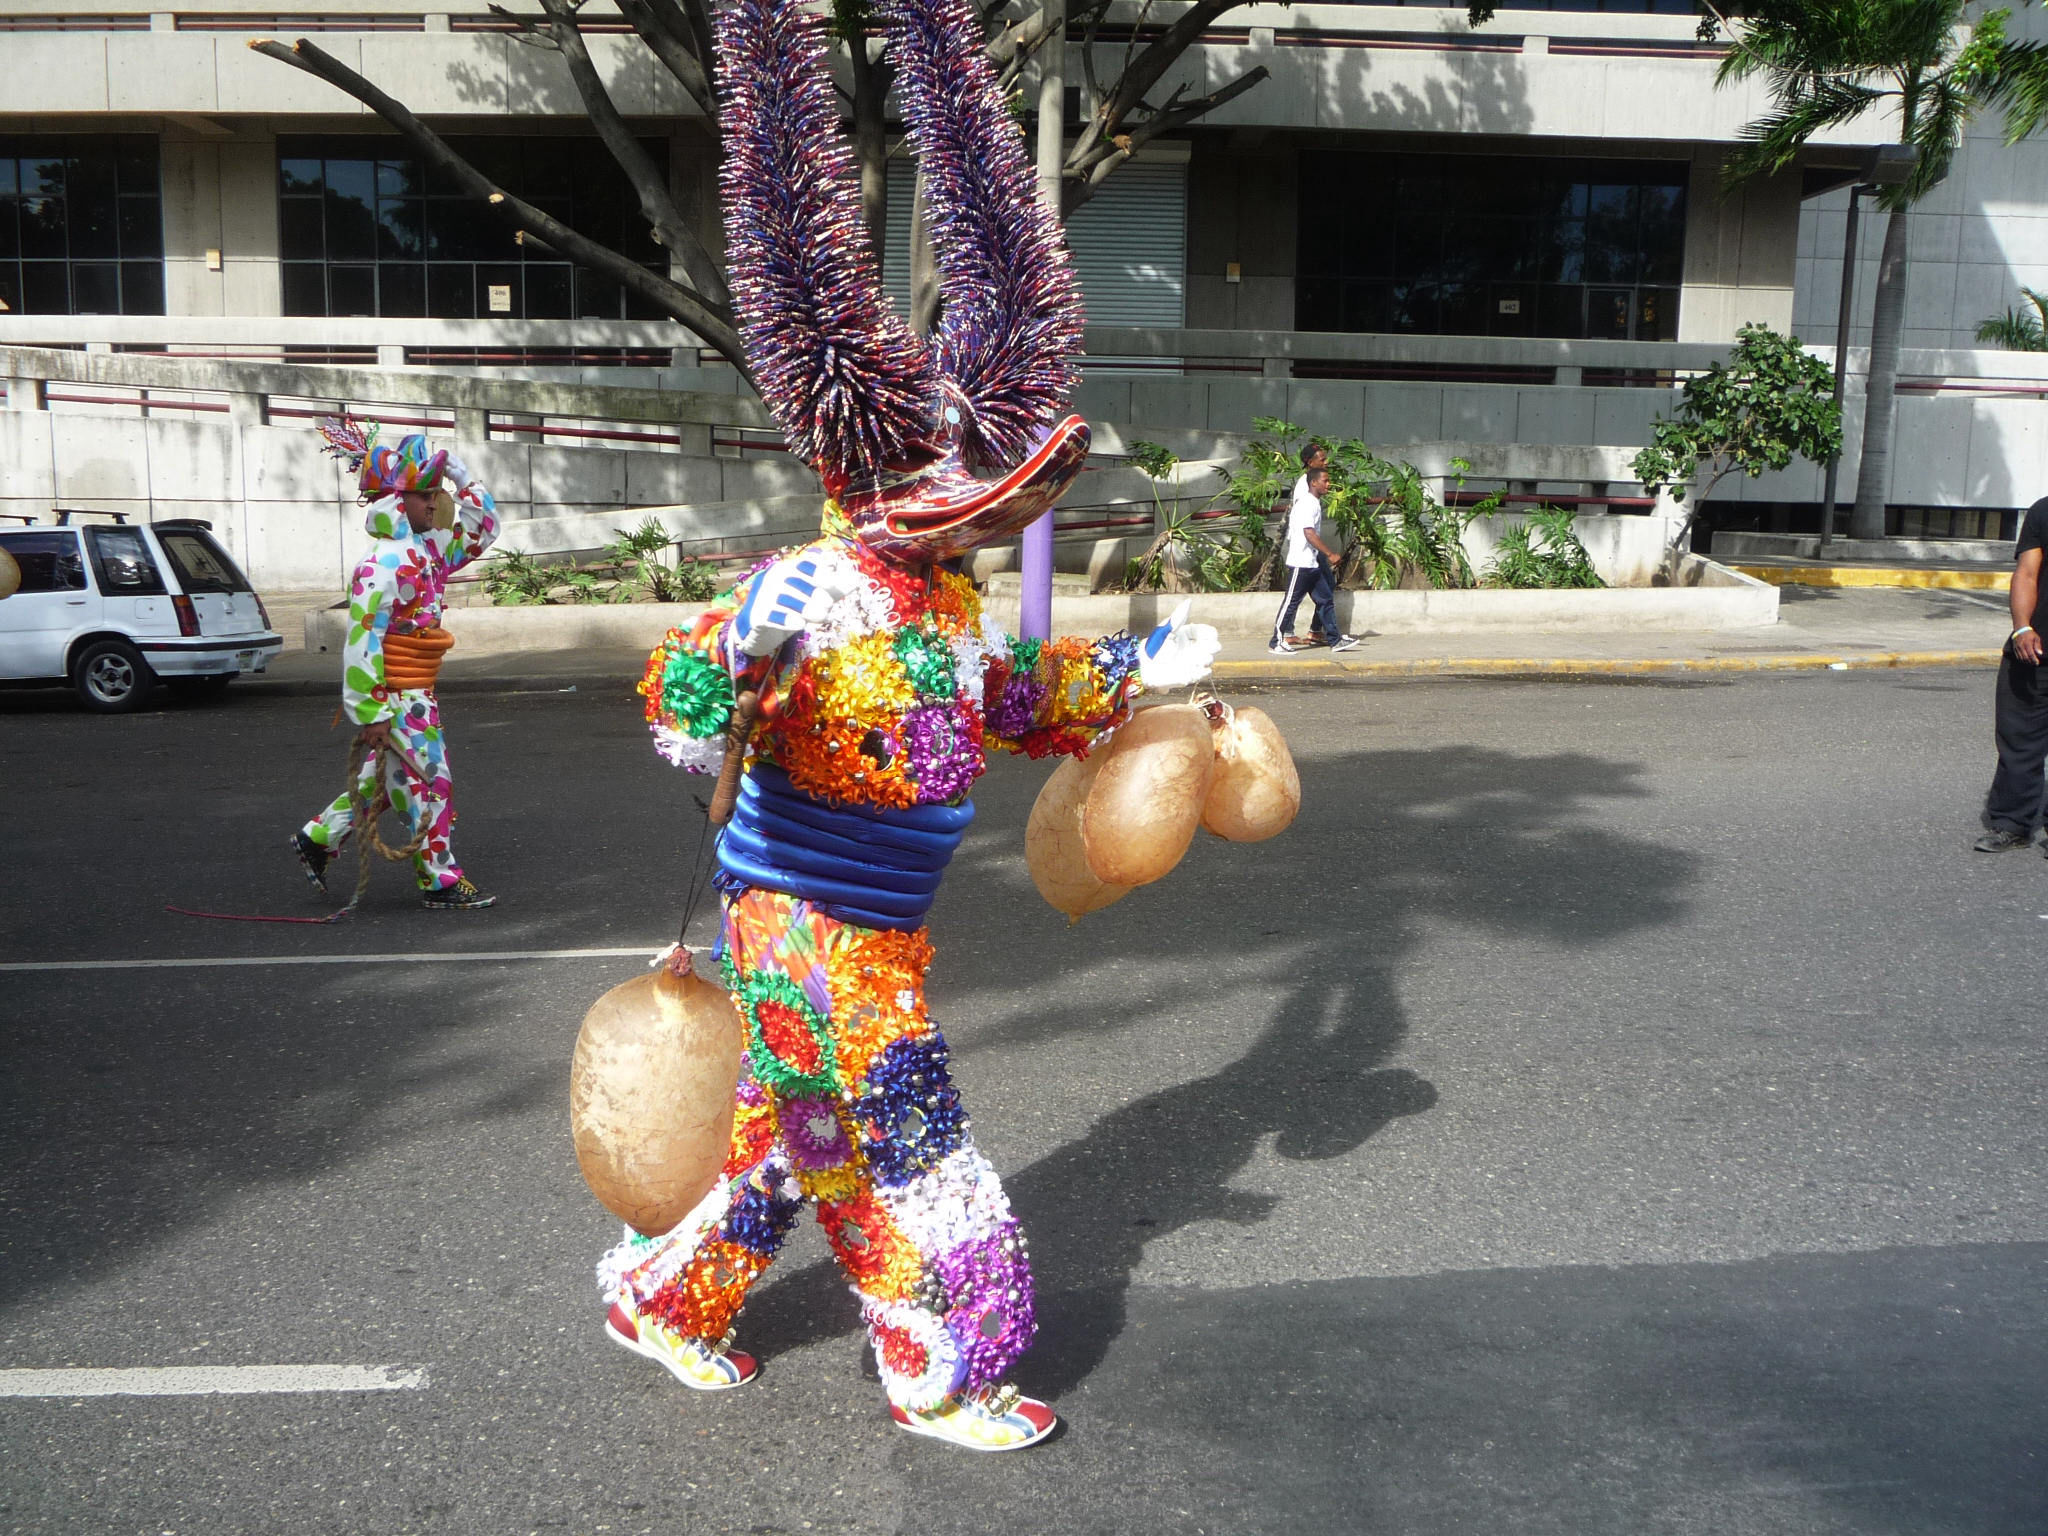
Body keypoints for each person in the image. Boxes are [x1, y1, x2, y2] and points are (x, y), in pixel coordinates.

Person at [597, 0, 1219, 1455]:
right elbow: (685, 721)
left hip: (865, 934)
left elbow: (1011, 704)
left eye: (1003, 513)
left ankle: (665, 1299)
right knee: (904, 1152)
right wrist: (725, 681)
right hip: (808, 931)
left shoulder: (938, 607)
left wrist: (1136, 668)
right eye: (985, 512)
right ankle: (946, 1366)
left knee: (789, 1143)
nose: (997, 529)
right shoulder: (804, 587)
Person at [291, 420, 501, 909]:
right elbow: (361, 640)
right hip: (398, 695)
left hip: (417, 693)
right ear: (396, 501)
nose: (436, 502)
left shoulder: (428, 551)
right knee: (434, 783)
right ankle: (439, 879)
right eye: (426, 494)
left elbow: (484, 529)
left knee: (386, 783)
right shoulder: (381, 565)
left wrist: (464, 476)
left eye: (437, 493)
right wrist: (372, 712)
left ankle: (317, 838)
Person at [1976, 493, 2048, 852]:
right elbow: (2027, 572)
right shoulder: (2044, 510)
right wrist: (2022, 628)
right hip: (2035, 651)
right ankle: (2011, 823)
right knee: (2019, 741)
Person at [1270, 464, 1358, 655]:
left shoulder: (1314, 503)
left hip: (1312, 563)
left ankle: (1335, 641)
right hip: (1300, 563)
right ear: (1313, 483)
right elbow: (1309, 533)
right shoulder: (1307, 504)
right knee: (1291, 602)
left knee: (1325, 599)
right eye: (1325, 481)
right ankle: (1276, 642)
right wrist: (1330, 554)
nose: (1329, 484)